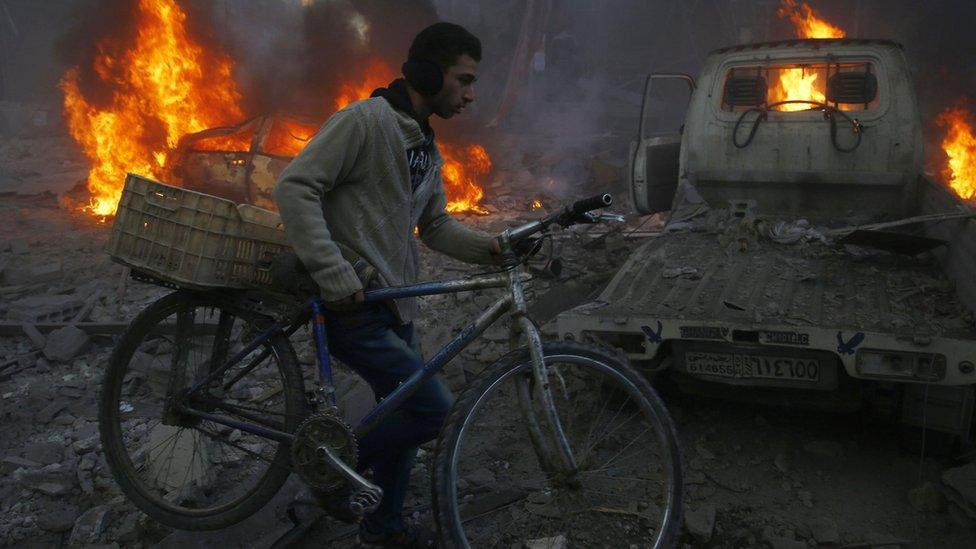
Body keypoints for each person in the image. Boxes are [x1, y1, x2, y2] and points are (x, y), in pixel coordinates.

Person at [274, 22, 497, 548]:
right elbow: (295, 186)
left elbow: (436, 226)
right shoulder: (364, 122)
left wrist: (495, 248)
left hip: (396, 308)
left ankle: (383, 529)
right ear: (426, 72)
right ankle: (328, 472)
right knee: (432, 409)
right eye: (464, 80)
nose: (471, 94)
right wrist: (333, 271)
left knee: (405, 414)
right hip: (352, 307)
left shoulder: (426, 147)